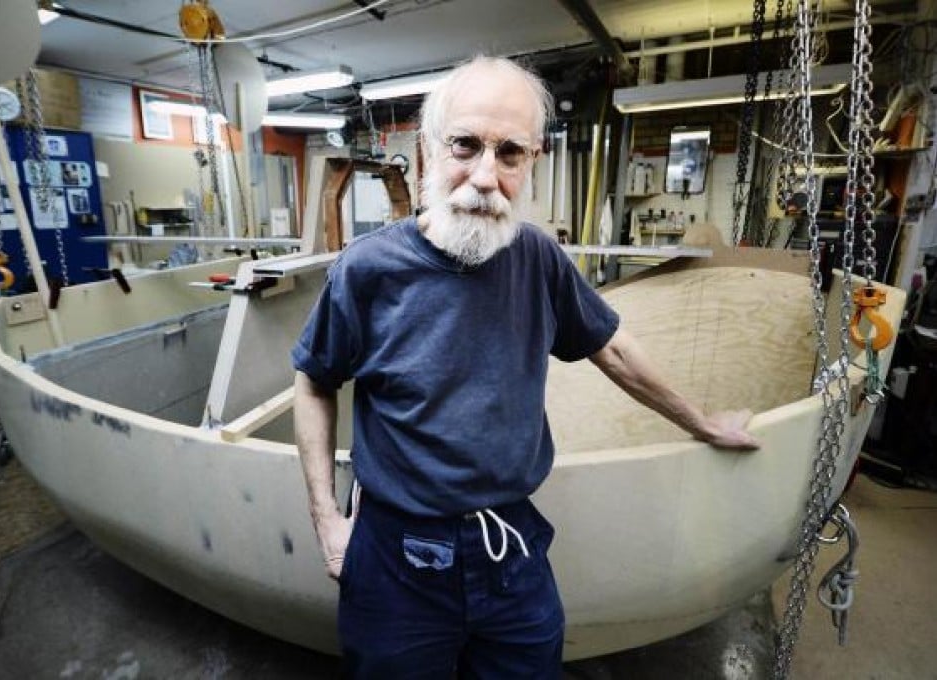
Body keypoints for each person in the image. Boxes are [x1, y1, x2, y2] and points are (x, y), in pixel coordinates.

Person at [291, 56, 759, 679]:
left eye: (509, 153)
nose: (485, 176)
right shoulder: (367, 270)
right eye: (465, 145)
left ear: (532, 161)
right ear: (430, 149)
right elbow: (315, 382)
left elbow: (612, 348)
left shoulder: (537, 258)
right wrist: (327, 521)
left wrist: (702, 424)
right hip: (396, 558)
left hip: (510, 553)